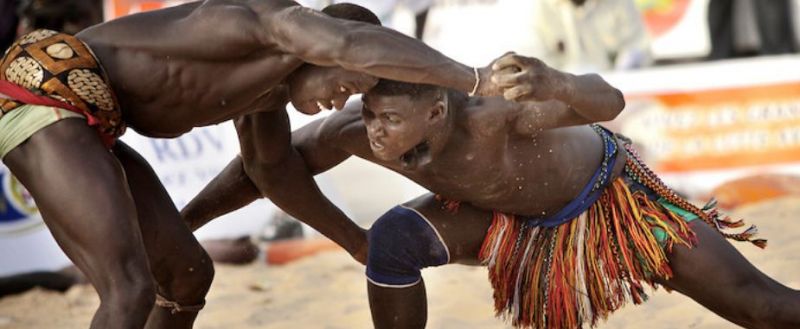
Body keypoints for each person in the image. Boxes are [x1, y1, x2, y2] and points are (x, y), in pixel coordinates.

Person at [183, 53, 800, 329]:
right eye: (370, 116)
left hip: (613, 207)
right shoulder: (356, 130)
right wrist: (184, 221)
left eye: (389, 120)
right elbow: (264, 167)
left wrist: (556, 79)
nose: (374, 132)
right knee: (393, 240)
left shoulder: (496, 114)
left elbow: (609, 100)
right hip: (500, 219)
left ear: (437, 114)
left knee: (763, 308)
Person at [0, 1, 512, 328]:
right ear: (328, 53)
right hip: (45, 82)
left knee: (186, 275)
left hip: (89, 117)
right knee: (129, 289)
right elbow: (347, 39)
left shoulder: (267, 98)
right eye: (345, 87)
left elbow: (272, 174)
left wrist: (356, 241)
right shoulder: (269, 23)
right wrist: (471, 77)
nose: (337, 104)